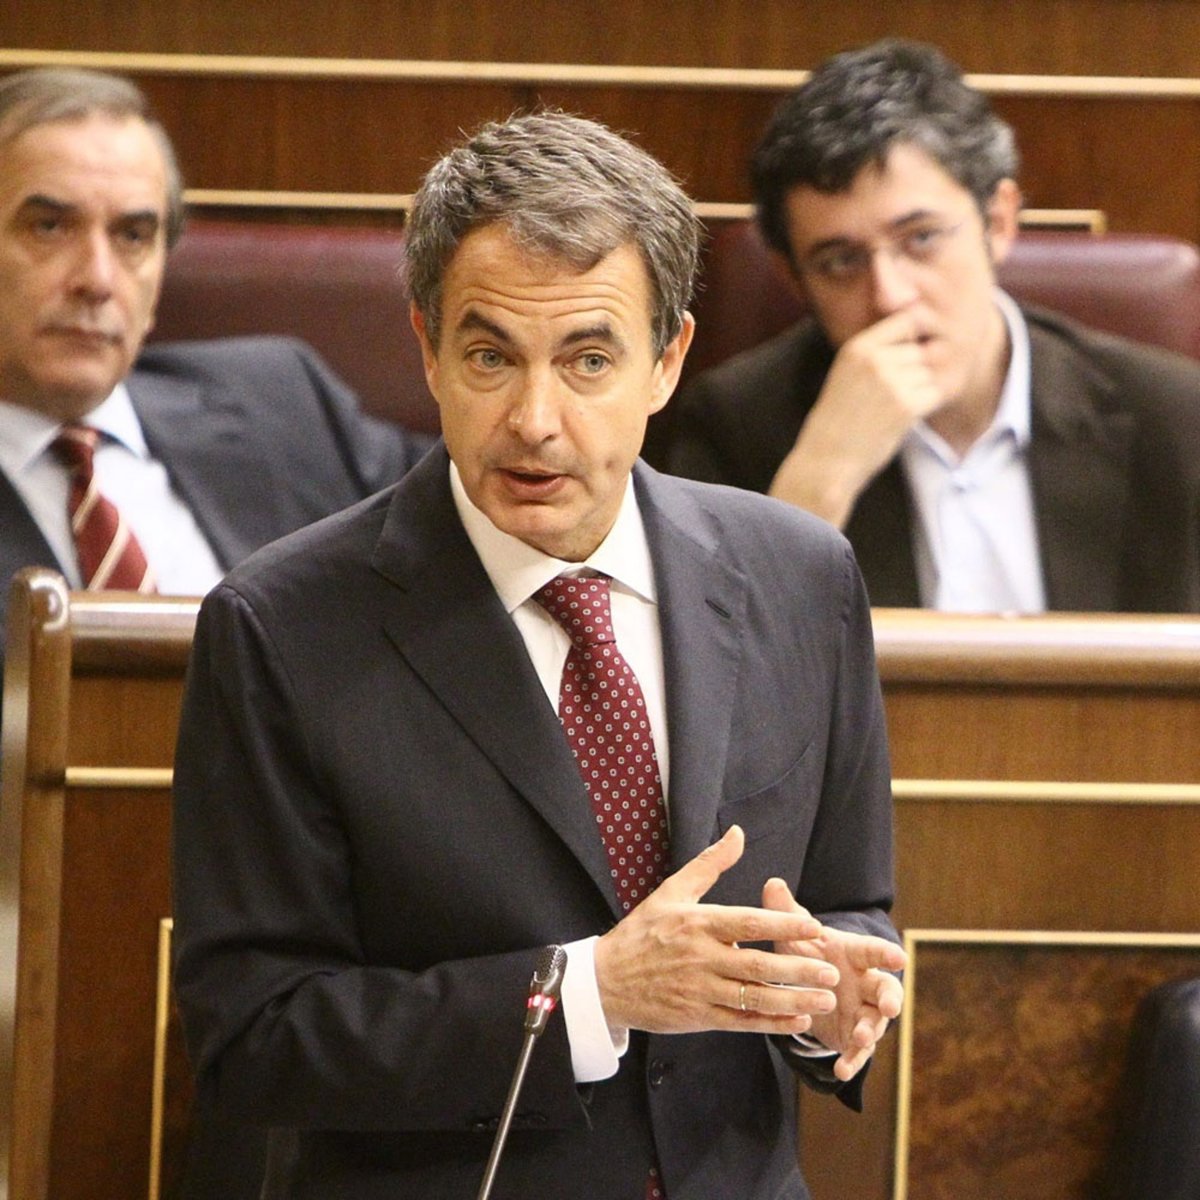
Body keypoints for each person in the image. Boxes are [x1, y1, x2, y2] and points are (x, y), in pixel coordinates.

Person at [171, 111, 906, 1199]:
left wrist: (829, 997)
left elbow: (851, 903)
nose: (535, 420)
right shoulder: (280, 627)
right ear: (427, 350)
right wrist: (588, 994)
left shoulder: (801, 577)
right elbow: (254, 1037)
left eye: (589, 360)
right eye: (490, 357)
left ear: (668, 361)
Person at [667, 39, 1200, 614]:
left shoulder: (1176, 419)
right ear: (794, 278)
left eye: (921, 238)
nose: (890, 296)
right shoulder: (732, 428)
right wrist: (823, 477)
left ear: (998, 222)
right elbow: (709, 656)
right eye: (840, 261)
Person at [0, 67, 429, 658]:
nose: (97, 280)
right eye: (49, 227)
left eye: (132, 236)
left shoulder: (279, 400)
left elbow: (480, 505)